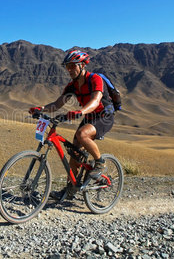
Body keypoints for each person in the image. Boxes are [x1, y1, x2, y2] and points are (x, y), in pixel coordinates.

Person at [29, 50, 116, 189]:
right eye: (67, 66)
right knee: (75, 153)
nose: (69, 69)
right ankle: (71, 189)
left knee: (82, 134)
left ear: (82, 65)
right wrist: (41, 108)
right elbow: (57, 104)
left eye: (72, 66)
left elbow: (95, 101)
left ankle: (100, 163)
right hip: (89, 116)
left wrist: (80, 111)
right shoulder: (72, 86)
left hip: (104, 116)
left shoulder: (95, 79)